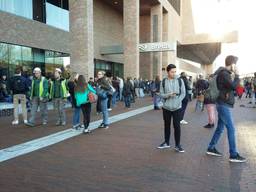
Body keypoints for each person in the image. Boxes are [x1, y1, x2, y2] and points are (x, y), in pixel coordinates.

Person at [206, 55, 246, 163]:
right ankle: (233, 154)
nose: (236, 66)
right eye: (235, 64)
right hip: (223, 104)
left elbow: (228, 87)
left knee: (220, 128)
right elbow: (234, 86)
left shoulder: (222, 72)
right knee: (231, 129)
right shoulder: (224, 73)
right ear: (232, 64)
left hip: (222, 103)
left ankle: (211, 147)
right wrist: (237, 75)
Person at [157, 64, 186, 153]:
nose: (174, 73)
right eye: (172, 72)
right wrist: (168, 95)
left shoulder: (180, 80)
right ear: (168, 72)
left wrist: (178, 102)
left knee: (177, 126)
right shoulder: (163, 81)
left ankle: (177, 145)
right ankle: (166, 142)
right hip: (166, 107)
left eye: (175, 71)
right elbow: (161, 94)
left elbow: (183, 93)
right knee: (167, 125)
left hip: (177, 107)